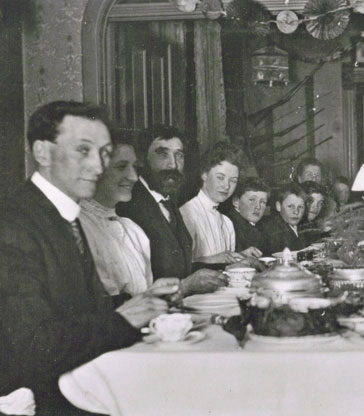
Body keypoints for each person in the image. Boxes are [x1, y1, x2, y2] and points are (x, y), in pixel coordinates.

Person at [0, 101, 175, 414]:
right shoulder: (13, 223)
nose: (97, 165)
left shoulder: (63, 214)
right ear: (42, 152)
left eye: (104, 153)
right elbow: (32, 345)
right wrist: (123, 319)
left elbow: (76, 310)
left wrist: (141, 302)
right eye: (83, 150)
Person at [116, 125, 227, 295]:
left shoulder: (168, 201)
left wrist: (227, 267)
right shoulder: (128, 205)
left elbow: (180, 269)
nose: (173, 165)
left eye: (179, 155)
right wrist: (185, 286)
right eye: (163, 154)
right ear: (143, 159)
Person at [80, 128, 153, 298]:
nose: (134, 177)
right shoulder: (78, 228)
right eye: (121, 167)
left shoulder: (134, 231)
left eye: (135, 167)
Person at [180, 142, 259, 263]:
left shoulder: (227, 223)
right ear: (204, 175)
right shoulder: (185, 214)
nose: (227, 186)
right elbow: (179, 267)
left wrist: (240, 256)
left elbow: (227, 266)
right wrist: (215, 259)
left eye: (233, 180)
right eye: (220, 177)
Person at [219, 176, 270, 255]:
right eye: (252, 200)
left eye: (263, 202)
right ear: (236, 202)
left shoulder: (253, 225)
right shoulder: (229, 224)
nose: (258, 207)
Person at [259, 182, 307, 255]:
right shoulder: (273, 231)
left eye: (300, 207)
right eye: (290, 206)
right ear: (278, 206)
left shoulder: (299, 226)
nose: (296, 212)